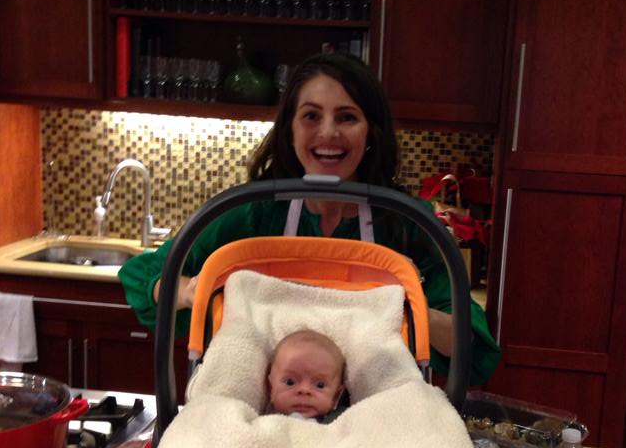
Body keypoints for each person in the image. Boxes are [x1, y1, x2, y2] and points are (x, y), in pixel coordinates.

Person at [118, 52, 501, 385]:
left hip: (371, 418)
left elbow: (470, 347)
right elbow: (143, 276)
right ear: (290, 130)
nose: (328, 132)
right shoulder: (250, 213)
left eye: (347, 117)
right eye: (311, 116)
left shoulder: (407, 224)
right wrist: (192, 290)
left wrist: (401, 307)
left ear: (371, 132)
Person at [267, 329, 346, 420]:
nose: (304, 390)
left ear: (335, 396)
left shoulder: (341, 421)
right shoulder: (265, 423)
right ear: (271, 389)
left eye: (320, 385)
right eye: (290, 382)